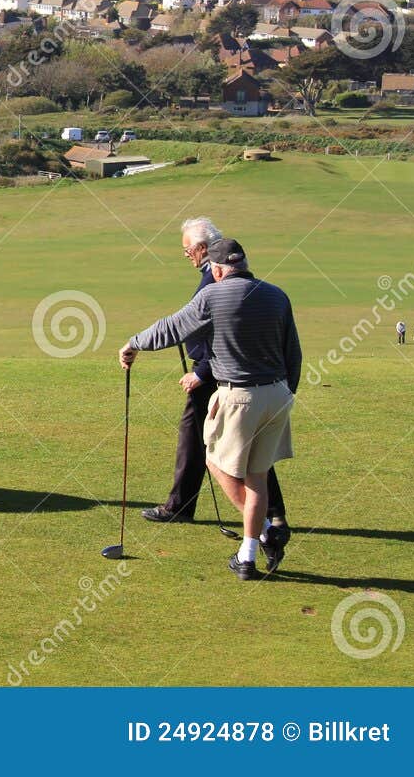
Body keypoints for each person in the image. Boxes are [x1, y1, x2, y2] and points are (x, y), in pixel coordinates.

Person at [120, 237, 301, 580]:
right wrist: (287, 393)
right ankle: (247, 556)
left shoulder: (212, 295)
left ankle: (264, 532)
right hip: (277, 395)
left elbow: (171, 328)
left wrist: (134, 343)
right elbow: (294, 352)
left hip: (239, 397)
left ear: (217, 269)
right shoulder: (277, 295)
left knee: (217, 465)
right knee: (257, 477)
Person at [142, 218, 288, 547]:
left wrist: (201, 372)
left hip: (221, 376)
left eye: (188, 250)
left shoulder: (217, 280)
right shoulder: (215, 277)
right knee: (205, 438)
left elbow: (221, 333)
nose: (187, 256)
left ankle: (268, 523)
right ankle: (184, 504)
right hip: (229, 376)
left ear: (204, 249)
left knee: (234, 448)